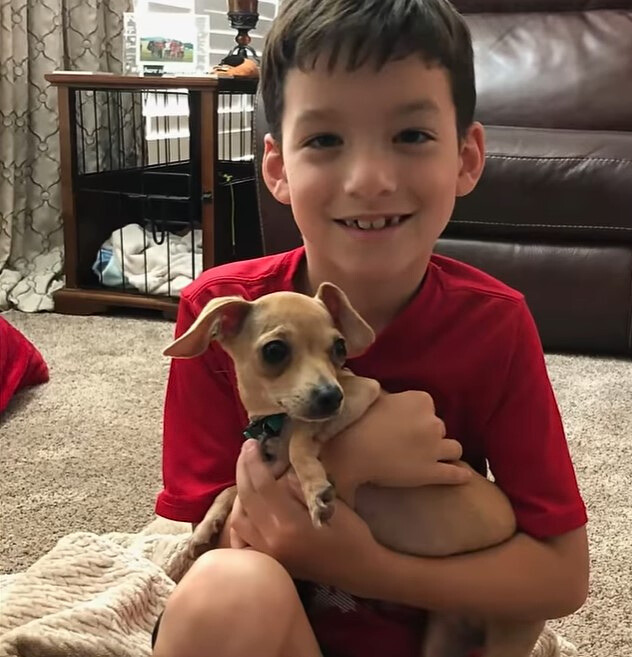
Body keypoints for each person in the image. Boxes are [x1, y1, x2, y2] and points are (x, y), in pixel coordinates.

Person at [151, 1, 589, 655]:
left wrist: (362, 564)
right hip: (283, 631)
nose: (370, 180)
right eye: (325, 140)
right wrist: (351, 457)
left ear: (467, 158)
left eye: (410, 135)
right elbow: (218, 539)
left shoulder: (494, 324)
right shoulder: (222, 312)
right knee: (223, 592)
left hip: (431, 634)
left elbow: (561, 575)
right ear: (276, 167)